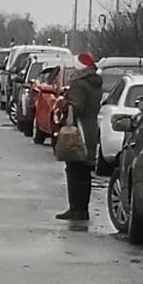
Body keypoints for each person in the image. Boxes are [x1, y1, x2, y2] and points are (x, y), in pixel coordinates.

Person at [55, 53, 103, 227]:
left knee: (74, 169)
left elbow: (77, 107)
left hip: (78, 129)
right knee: (85, 171)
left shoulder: (78, 84)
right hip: (91, 128)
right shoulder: (96, 83)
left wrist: (64, 103)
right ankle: (83, 209)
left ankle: (75, 208)